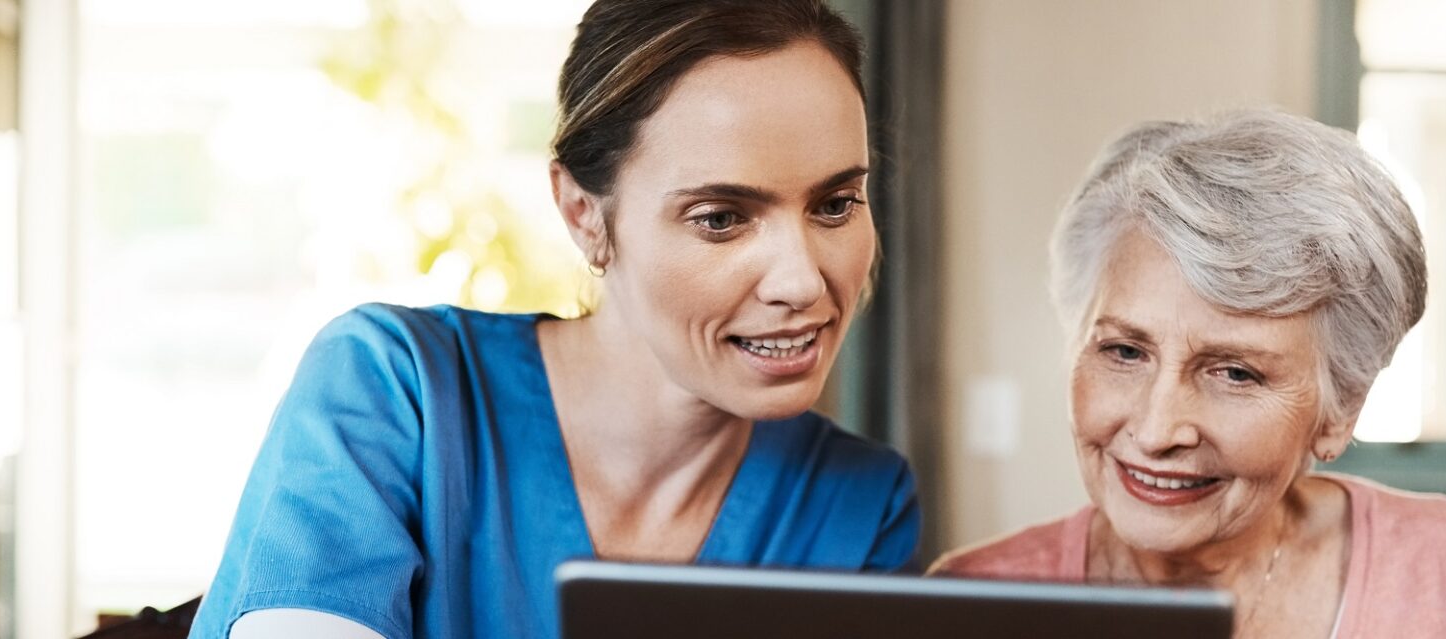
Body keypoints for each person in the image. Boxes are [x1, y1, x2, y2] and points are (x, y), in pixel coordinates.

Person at [190, 1, 919, 637]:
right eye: (721, 218)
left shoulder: (863, 506)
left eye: (834, 204)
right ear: (583, 213)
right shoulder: (394, 387)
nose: (801, 279)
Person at [929, 111, 1446, 638]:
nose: (1157, 428)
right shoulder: (968, 603)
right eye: (1124, 352)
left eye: (1235, 373)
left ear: (1340, 410)